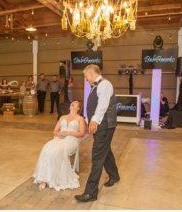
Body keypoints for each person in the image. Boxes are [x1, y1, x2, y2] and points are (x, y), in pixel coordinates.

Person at [75, 65, 120, 202]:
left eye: (86, 76)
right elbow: (93, 105)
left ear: (91, 73)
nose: (86, 79)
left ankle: (91, 192)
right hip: (101, 125)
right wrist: (88, 120)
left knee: (97, 156)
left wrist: (94, 121)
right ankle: (114, 175)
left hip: (104, 125)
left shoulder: (105, 84)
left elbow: (102, 105)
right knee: (105, 151)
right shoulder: (97, 85)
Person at [33, 99, 87, 191]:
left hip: (71, 140)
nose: (72, 105)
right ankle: (44, 178)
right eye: (71, 104)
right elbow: (55, 131)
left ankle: (56, 177)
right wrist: (59, 134)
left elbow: (82, 134)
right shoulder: (63, 117)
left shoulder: (80, 119)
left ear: (78, 108)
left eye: (75, 104)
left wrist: (69, 133)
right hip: (59, 138)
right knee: (46, 149)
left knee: (55, 152)